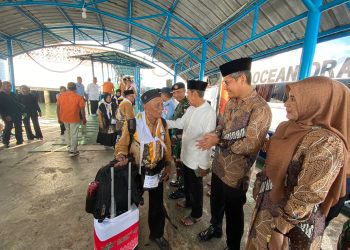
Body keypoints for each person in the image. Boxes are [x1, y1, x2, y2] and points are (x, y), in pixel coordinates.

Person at [246, 76, 349, 250]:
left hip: (293, 225)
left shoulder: (327, 143)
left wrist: (280, 230)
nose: (286, 103)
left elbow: (309, 194)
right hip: (268, 206)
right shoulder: (288, 127)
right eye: (288, 97)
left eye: (294, 99)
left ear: (318, 102)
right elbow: (271, 164)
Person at [196, 57, 272, 250]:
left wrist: (218, 141)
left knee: (233, 213)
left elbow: (250, 144)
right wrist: (213, 136)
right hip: (219, 166)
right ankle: (215, 228)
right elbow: (221, 125)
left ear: (241, 80)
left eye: (228, 82)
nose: (226, 87)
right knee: (216, 204)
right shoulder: (231, 103)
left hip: (237, 175)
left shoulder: (260, 108)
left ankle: (232, 246)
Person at [114, 88, 172, 250]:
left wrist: (168, 164)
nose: (161, 109)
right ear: (145, 107)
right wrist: (121, 155)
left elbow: (167, 144)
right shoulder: (133, 123)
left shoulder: (163, 124)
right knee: (130, 202)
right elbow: (123, 144)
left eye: (162, 105)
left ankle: (157, 234)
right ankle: (128, 235)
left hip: (157, 169)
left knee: (157, 203)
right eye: (157, 105)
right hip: (137, 170)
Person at [167, 80, 216, 226]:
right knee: (188, 184)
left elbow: (207, 143)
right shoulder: (191, 108)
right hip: (186, 155)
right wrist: (165, 123)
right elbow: (181, 123)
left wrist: (203, 165)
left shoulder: (209, 113)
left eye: (188, 93)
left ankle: (197, 214)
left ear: (195, 94)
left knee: (196, 188)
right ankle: (188, 201)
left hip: (197, 160)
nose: (187, 95)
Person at [168, 82, 190, 200]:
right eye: (174, 93)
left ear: (185, 91)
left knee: (182, 164)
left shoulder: (188, 105)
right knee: (177, 162)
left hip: (182, 141)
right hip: (176, 140)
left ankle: (183, 189)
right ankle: (179, 181)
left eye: (179, 92)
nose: (176, 94)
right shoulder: (180, 104)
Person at [56, 82, 86, 157]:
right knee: (74, 133)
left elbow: (57, 108)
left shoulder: (61, 96)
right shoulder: (79, 97)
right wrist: (84, 118)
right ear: (75, 88)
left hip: (64, 118)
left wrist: (58, 118)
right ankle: (73, 150)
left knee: (67, 131)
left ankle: (69, 146)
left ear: (67, 88)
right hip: (74, 118)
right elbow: (82, 109)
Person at [0, 81, 24, 147]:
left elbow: (18, 103)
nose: (9, 87)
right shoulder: (1, 95)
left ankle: (20, 140)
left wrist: (22, 112)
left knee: (18, 127)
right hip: (7, 114)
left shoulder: (13, 94)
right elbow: (1, 107)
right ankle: (5, 141)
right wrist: (5, 115)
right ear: (3, 86)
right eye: (7, 86)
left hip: (17, 113)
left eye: (10, 85)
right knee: (8, 127)